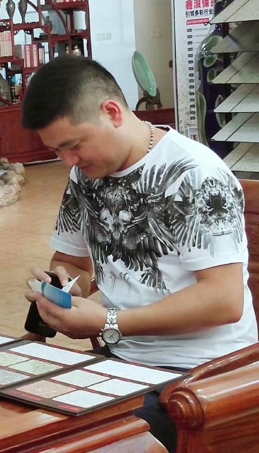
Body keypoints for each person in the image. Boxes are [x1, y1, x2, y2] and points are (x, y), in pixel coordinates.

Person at [20, 56, 257, 452]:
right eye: (57, 150)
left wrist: (109, 321)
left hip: (199, 378)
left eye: (74, 146)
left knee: (76, 443)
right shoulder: (85, 175)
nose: (68, 161)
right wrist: (63, 287)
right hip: (122, 365)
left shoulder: (195, 174)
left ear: (112, 112)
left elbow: (224, 299)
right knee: (20, 425)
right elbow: (73, 264)